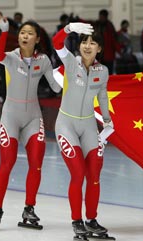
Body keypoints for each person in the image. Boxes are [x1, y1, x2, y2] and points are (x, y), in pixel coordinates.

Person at [0, 12, 62, 230]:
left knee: (36, 165)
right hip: (10, 116)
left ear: (37, 39)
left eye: (30, 33)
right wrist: (4, 31)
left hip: (33, 117)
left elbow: (56, 87)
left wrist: (69, 70)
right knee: (7, 163)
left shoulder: (43, 60)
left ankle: (29, 208)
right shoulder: (11, 57)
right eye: (22, 32)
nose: (25, 36)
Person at [52, 22, 114, 240]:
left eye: (93, 42)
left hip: (88, 127)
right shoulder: (70, 62)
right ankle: (77, 221)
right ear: (79, 46)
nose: (88, 46)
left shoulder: (102, 71)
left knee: (94, 174)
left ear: (100, 48)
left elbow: (103, 97)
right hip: (66, 125)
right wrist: (69, 28)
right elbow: (56, 42)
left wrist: (107, 121)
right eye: (84, 42)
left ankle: (92, 220)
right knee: (78, 173)